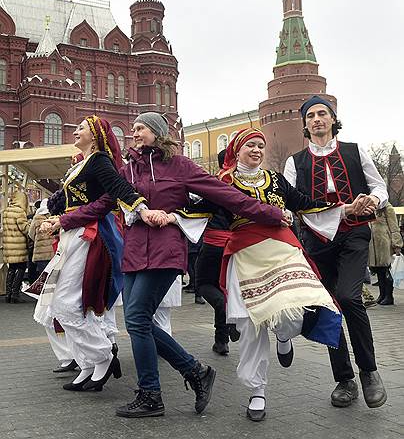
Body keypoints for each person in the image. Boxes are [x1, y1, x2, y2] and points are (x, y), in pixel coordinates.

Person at [55, 112, 291, 419]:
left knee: (138, 318)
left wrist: (270, 213)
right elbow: (106, 202)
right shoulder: (128, 170)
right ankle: (194, 372)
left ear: (157, 132)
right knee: (139, 321)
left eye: (140, 128)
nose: (135, 133)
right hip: (134, 251)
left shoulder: (181, 167)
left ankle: (152, 394)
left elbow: (227, 195)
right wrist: (63, 217)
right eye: (135, 128)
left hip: (166, 249)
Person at [215, 127, 358, 422]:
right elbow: (202, 210)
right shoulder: (223, 184)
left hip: (282, 248)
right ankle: (257, 391)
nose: (256, 150)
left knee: (297, 307)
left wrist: (344, 208)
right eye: (250, 145)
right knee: (251, 325)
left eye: (260, 146)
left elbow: (305, 203)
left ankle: (284, 336)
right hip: (245, 253)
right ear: (237, 150)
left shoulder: (275, 180)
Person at [284, 95, 389, 409]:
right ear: (305, 124)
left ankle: (369, 372)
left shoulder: (355, 152)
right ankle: (344, 380)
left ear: (332, 119)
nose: (317, 119)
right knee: (327, 307)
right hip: (316, 243)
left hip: (354, 235)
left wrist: (373, 201)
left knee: (348, 297)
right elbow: (289, 202)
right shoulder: (295, 162)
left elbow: (379, 187)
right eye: (311, 115)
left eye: (322, 114)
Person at [37, 115, 149, 393]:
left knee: (67, 304)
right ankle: (88, 363)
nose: (75, 131)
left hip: (90, 236)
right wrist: (52, 219)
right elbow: (65, 201)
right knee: (59, 304)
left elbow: (117, 191)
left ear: (96, 135)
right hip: (72, 234)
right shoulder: (81, 165)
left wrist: (140, 206)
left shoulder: (99, 161)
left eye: (81, 128)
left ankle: (102, 356)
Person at [194, 149, 234, 355]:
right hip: (238, 246)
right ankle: (224, 335)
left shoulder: (216, 183)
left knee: (203, 284)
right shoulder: (247, 184)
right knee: (230, 288)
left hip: (214, 244)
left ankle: (225, 334)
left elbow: (198, 207)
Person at [369, 202, 403, 305]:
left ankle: (389, 296)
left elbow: (394, 227)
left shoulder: (387, 208)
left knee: (387, 270)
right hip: (375, 243)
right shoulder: (372, 207)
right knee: (379, 270)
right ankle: (382, 294)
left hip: (385, 242)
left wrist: (397, 244)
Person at [3, 191, 29, 303]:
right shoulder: (20, 212)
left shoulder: (6, 211)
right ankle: (15, 294)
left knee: (12, 268)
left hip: (8, 245)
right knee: (21, 268)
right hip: (19, 246)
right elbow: (25, 229)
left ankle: (8, 294)